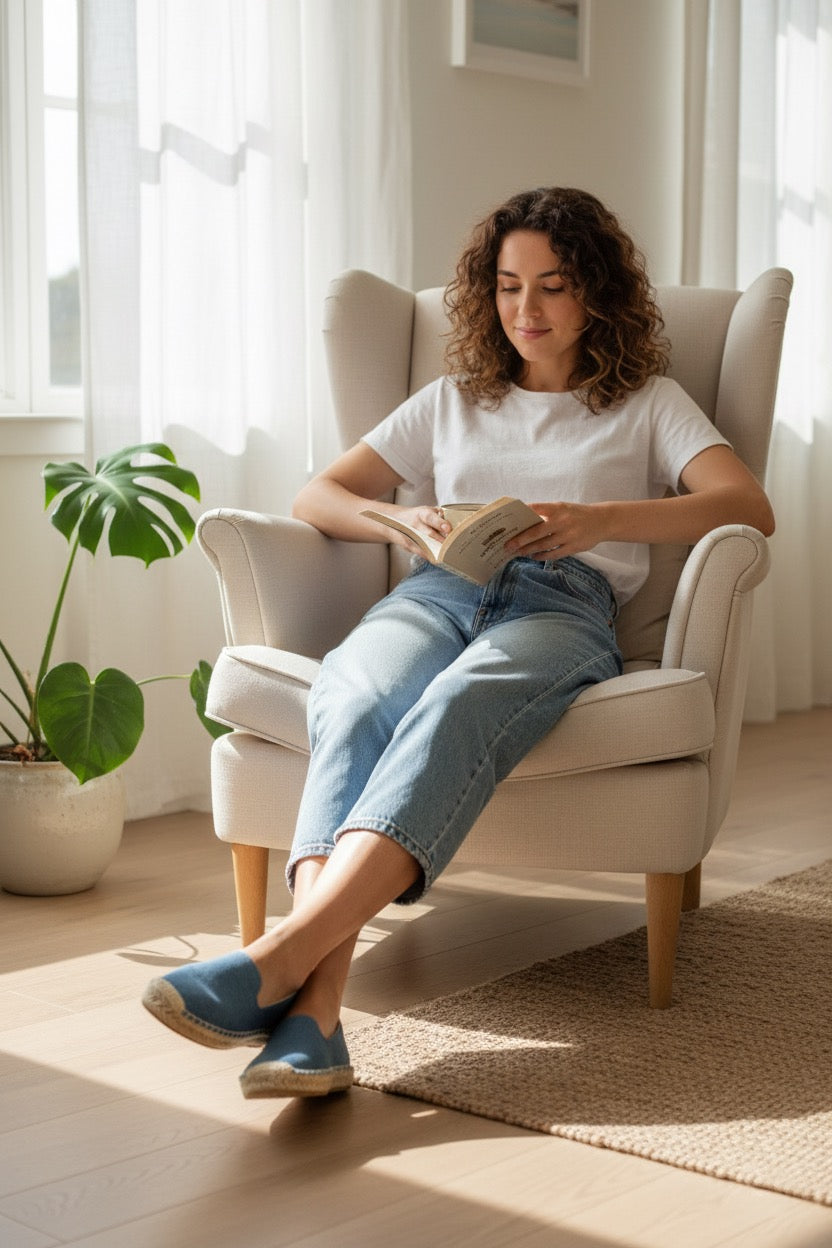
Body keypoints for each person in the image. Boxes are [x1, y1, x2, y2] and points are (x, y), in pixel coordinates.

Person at [142, 187, 774, 1099]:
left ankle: (279, 962)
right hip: (441, 589)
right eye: (509, 286)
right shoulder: (451, 401)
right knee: (354, 696)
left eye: (553, 287)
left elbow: (747, 506)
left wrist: (598, 520)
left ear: (596, 292)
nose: (528, 310)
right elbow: (316, 497)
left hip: (563, 605)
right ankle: (313, 1018)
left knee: (457, 704)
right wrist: (401, 522)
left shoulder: (647, 401)